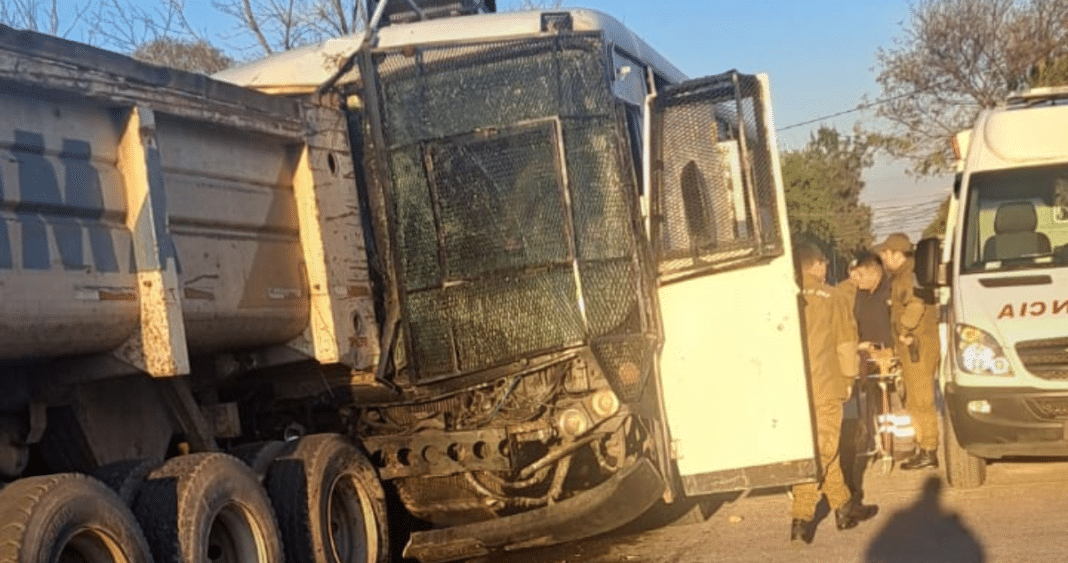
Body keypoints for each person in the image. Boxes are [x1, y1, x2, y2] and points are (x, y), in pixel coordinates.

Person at [791, 242, 878, 544]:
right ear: (816, 265)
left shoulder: (786, 296)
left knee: (819, 444)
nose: (826, 269)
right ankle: (802, 515)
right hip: (826, 383)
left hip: (793, 388)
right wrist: (850, 379)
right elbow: (845, 343)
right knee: (823, 449)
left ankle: (844, 508)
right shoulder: (831, 297)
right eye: (824, 264)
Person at [873, 232, 940, 470]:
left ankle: (929, 449)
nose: (883, 259)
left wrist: (906, 330)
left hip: (917, 346)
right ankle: (924, 446)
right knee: (912, 399)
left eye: (885, 254)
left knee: (921, 400)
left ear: (896, 254)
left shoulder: (909, 275)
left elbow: (916, 304)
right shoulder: (903, 275)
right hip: (911, 346)